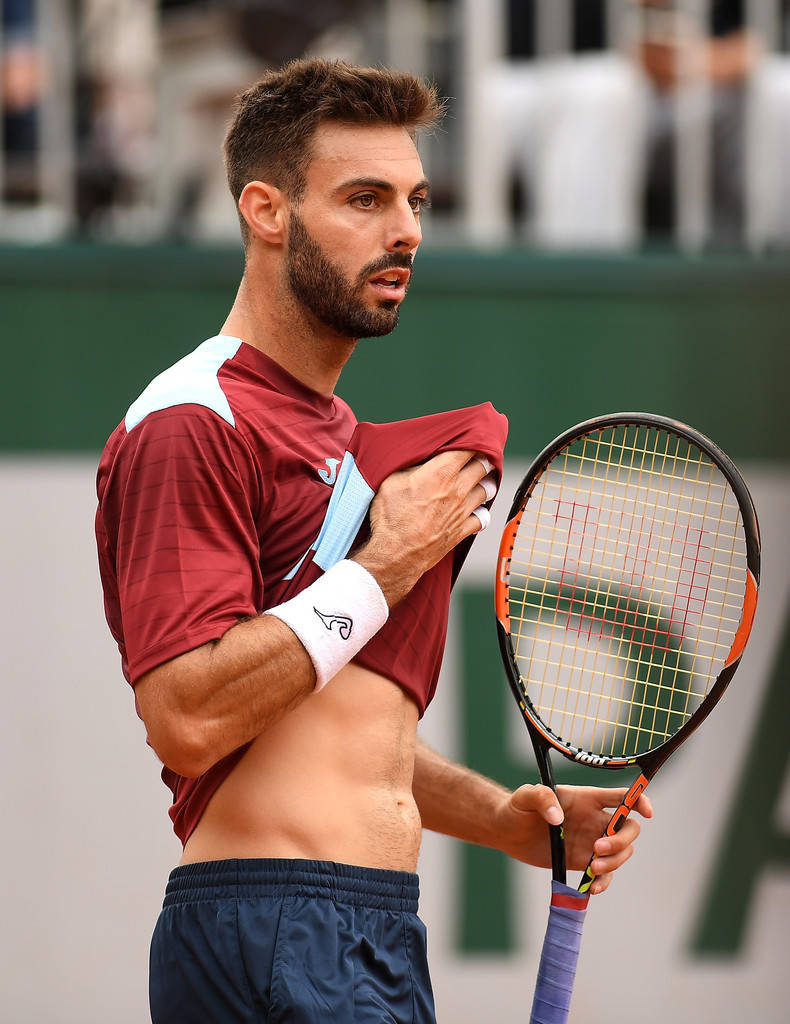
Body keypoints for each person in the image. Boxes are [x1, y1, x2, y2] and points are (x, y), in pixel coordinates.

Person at [95, 58, 652, 1023]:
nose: (405, 232)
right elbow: (185, 716)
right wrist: (385, 564)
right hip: (270, 931)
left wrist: (505, 822)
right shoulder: (190, 421)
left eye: (416, 200)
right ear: (267, 212)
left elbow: (337, 740)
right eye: (365, 199)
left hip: (375, 931)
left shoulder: (341, 439)